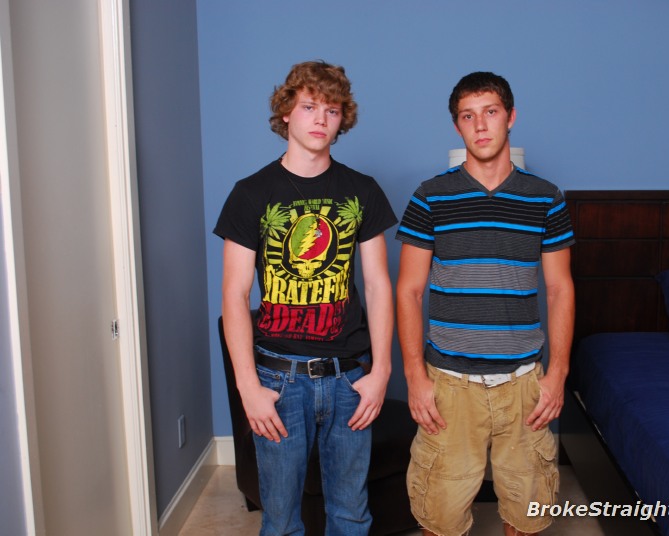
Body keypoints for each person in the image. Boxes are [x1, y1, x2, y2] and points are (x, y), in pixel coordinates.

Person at [214, 60, 396, 535]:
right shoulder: (251, 193)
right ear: (286, 114)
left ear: (342, 120)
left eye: (332, 111)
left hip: (349, 377)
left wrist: (381, 371)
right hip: (278, 379)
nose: (321, 119)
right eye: (310, 107)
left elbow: (378, 285)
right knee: (280, 521)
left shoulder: (361, 190)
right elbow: (234, 294)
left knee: (351, 515)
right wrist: (248, 387)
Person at [395, 72, 575, 536]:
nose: (480, 125)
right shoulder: (430, 197)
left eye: (490, 112)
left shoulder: (545, 198)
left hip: (523, 385)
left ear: (510, 117)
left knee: (527, 516)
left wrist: (557, 374)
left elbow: (560, 288)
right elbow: (409, 290)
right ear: (457, 125)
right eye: (467, 116)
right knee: (440, 518)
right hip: (449, 385)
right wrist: (415, 377)